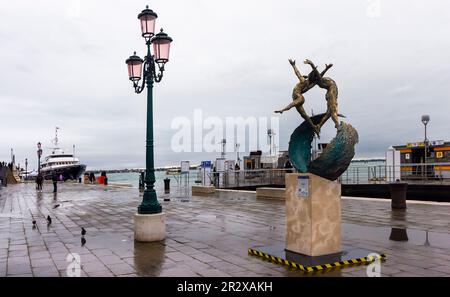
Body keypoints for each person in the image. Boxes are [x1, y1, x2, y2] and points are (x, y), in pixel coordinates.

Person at [275, 59, 333, 136]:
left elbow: (298, 73)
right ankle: (315, 127)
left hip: (299, 97)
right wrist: (326, 69)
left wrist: (293, 65)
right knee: (304, 115)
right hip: (297, 98)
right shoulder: (310, 84)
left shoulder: (304, 81)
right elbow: (319, 77)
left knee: (294, 104)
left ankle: (283, 109)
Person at [303, 59, 340, 133]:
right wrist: (312, 64)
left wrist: (327, 68)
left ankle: (319, 125)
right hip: (331, 93)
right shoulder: (319, 81)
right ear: (315, 77)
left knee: (329, 112)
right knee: (333, 110)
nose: (318, 74)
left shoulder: (319, 79)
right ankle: (337, 125)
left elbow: (320, 74)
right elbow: (318, 75)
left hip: (332, 92)